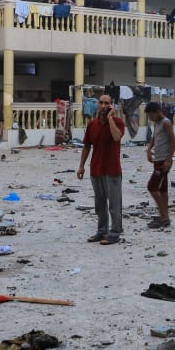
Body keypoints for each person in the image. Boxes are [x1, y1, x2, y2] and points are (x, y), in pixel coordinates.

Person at [76, 94, 125, 245]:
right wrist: (81, 166)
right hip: (96, 169)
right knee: (100, 203)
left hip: (112, 169)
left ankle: (115, 232)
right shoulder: (92, 124)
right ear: (97, 104)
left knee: (114, 204)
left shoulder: (118, 122)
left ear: (111, 106)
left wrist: (110, 119)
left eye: (107, 103)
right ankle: (102, 230)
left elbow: (117, 137)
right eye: (101, 103)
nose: (103, 106)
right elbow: (86, 146)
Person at [144, 102, 175, 229]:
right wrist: (148, 150)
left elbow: (173, 142)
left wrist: (168, 160)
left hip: (163, 161)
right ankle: (165, 215)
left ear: (157, 112)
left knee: (152, 187)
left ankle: (164, 216)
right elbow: (154, 138)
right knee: (162, 189)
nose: (150, 118)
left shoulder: (166, 123)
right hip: (158, 159)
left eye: (151, 115)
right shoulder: (157, 123)